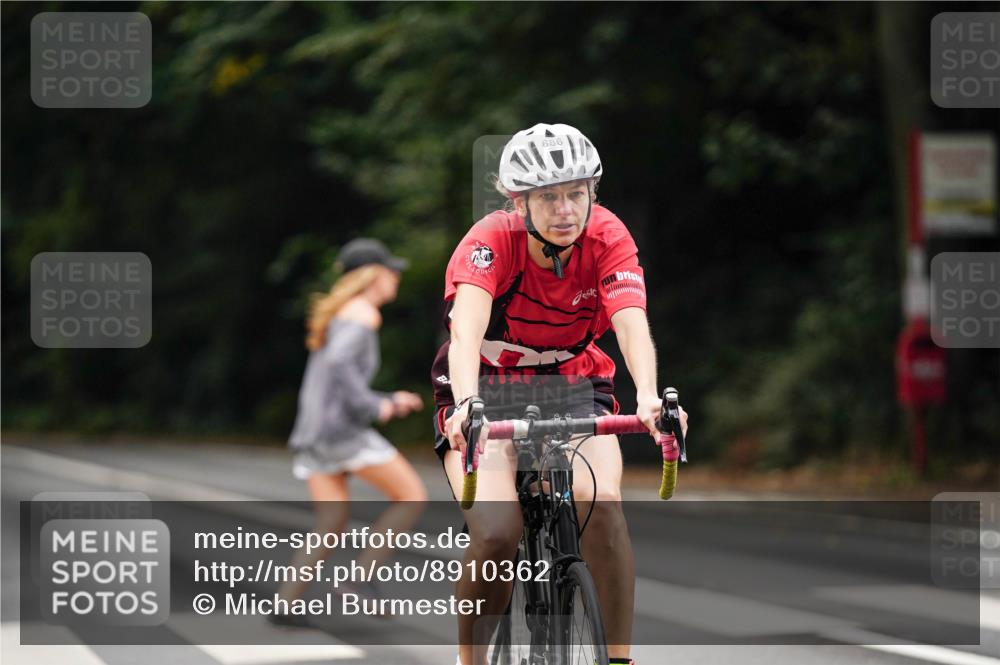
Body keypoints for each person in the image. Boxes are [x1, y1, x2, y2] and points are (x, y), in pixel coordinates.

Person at [430, 124, 689, 665]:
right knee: (498, 535)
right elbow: (466, 333)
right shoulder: (488, 242)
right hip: (486, 381)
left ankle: (617, 658)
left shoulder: (608, 236)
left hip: (575, 379)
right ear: (518, 202)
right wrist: (467, 405)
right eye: (548, 196)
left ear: (593, 192)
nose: (565, 209)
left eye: (577, 193)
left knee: (606, 505)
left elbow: (631, 322)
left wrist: (647, 397)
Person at [274, 238, 427, 626]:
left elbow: (331, 379)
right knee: (411, 495)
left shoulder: (343, 313)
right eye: (390, 269)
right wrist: (376, 406)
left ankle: (285, 603)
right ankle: (359, 581)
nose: (395, 276)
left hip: (316, 432)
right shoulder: (363, 314)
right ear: (372, 275)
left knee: (331, 522)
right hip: (341, 433)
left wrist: (387, 397)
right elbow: (342, 367)